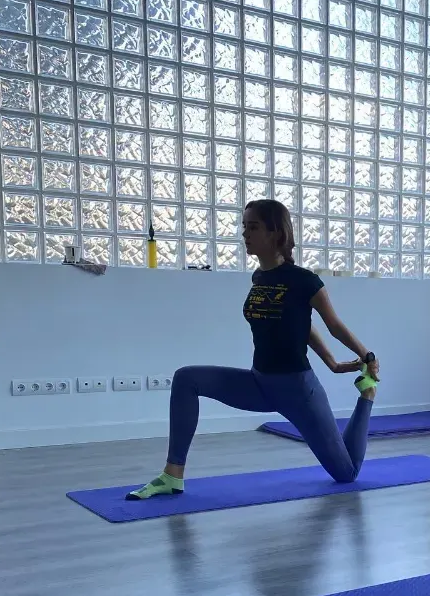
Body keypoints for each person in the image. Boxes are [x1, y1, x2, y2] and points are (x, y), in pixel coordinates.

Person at [126, 200, 379, 500]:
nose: (245, 234)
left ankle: (367, 395)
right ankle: (172, 475)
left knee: (346, 473)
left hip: (298, 391)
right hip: (259, 383)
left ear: (275, 233)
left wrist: (365, 357)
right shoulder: (259, 277)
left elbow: (333, 325)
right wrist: (332, 362)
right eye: (244, 226)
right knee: (186, 379)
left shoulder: (304, 280)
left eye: (253, 227)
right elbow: (299, 325)